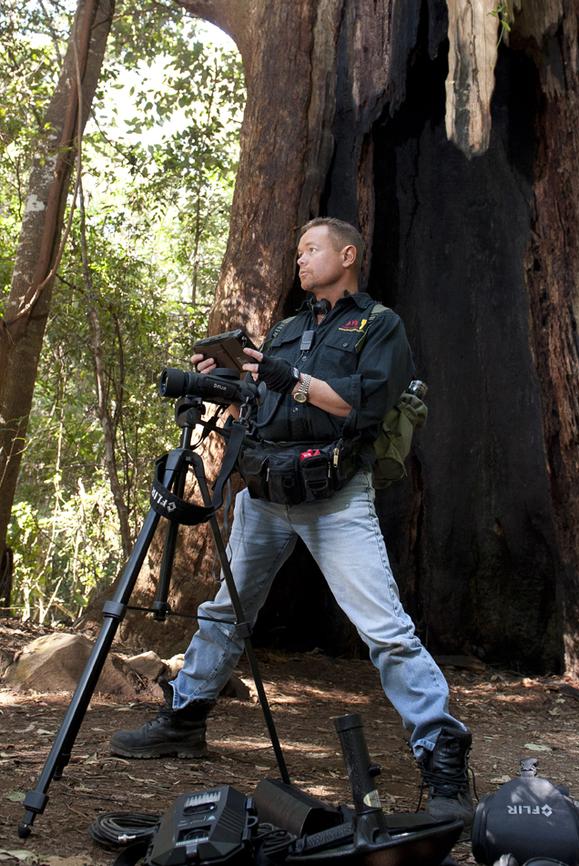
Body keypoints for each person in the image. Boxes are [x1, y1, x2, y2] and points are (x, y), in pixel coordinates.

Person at [110, 217, 473, 826]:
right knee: (227, 610)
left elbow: (365, 404)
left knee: (384, 630)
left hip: (334, 495)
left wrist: (294, 381)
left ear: (347, 254)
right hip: (266, 491)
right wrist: (219, 380)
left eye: (311, 249)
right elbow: (257, 402)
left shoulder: (378, 325)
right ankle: (186, 718)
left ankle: (441, 754)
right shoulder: (285, 328)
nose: (300, 260)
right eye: (298, 250)